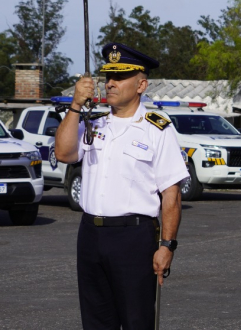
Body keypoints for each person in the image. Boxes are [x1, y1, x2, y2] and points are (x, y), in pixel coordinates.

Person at [54, 43, 189, 330]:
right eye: (108, 76)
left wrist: (167, 246)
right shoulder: (94, 124)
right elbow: (64, 153)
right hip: (91, 233)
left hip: (134, 237)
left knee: (136, 320)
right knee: (96, 321)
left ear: (141, 85)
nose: (111, 83)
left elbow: (171, 194)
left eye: (120, 76)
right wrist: (76, 105)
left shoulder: (157, 129)